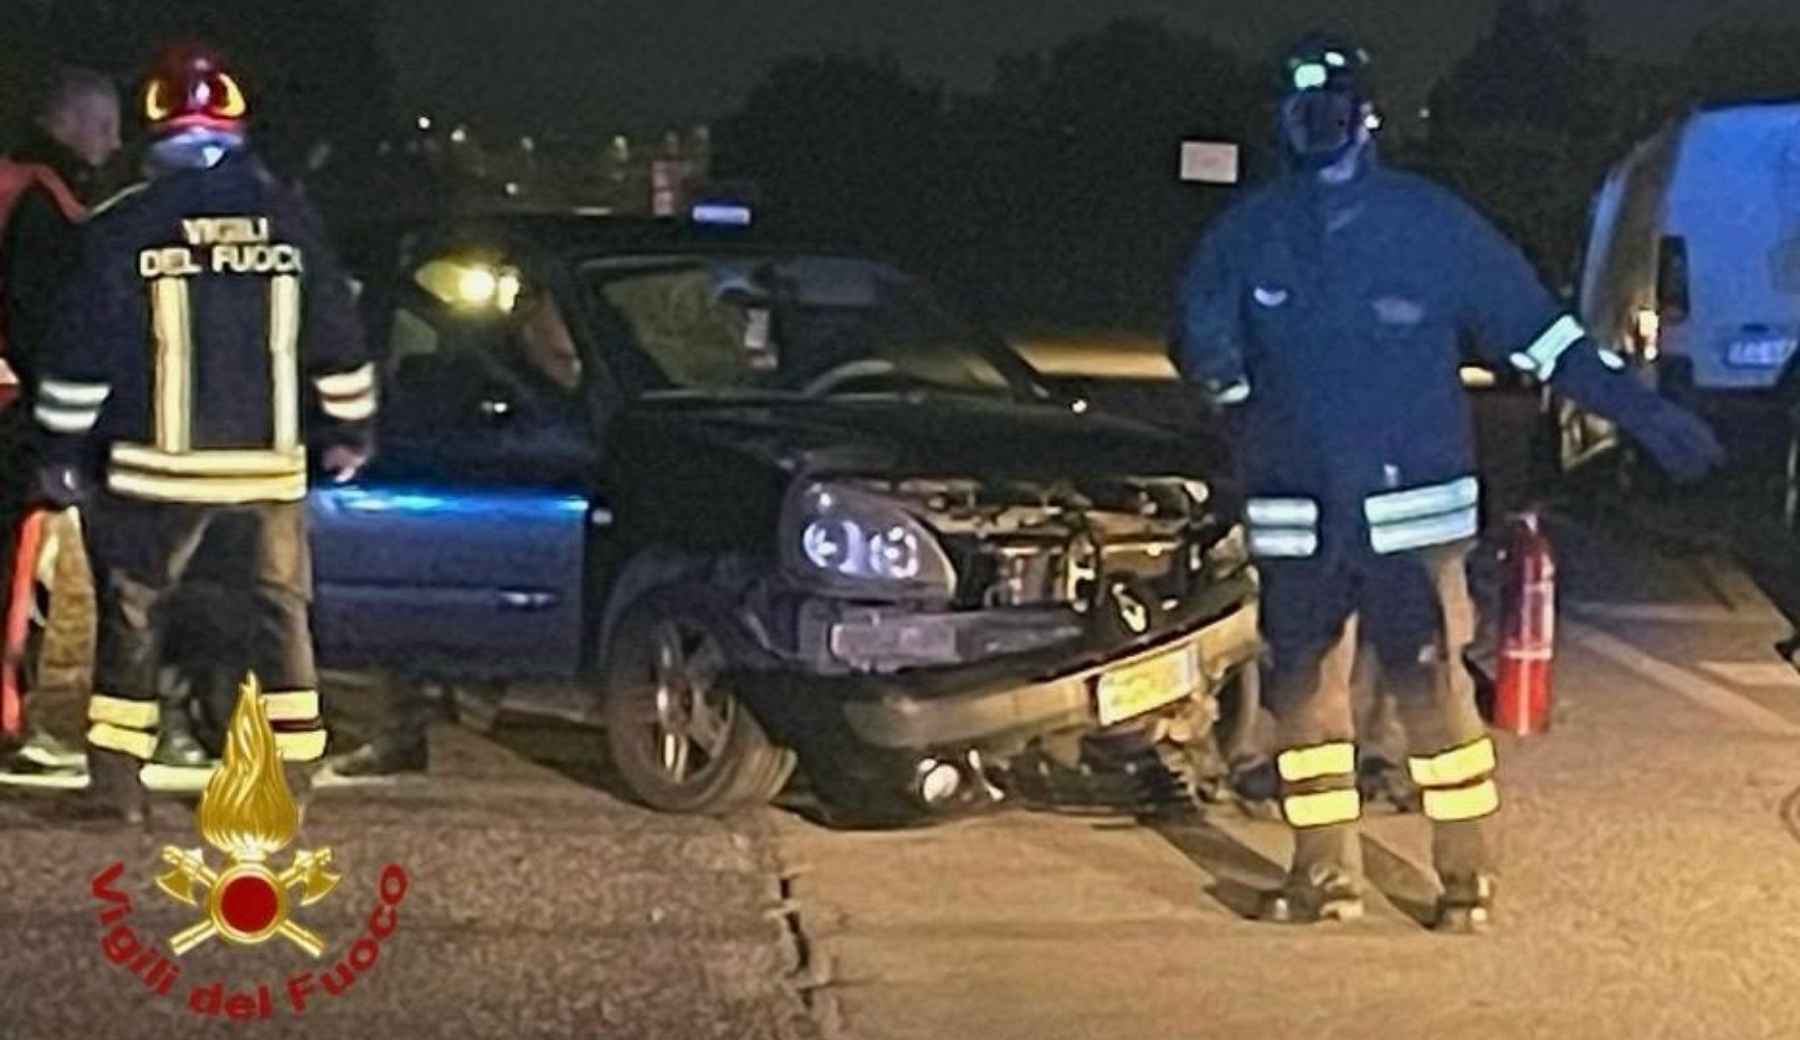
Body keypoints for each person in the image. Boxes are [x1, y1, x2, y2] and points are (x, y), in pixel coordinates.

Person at [1173, 33, 1723, 932]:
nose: (1319, 121)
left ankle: (1466, 878)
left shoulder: (1431, 226)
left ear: (1367, 118)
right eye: (1303, 105)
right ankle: (1324, 876)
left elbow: (1546, 342)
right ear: (1283, 119)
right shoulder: (1248, 234)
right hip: (1298, 519)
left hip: (1411, 526)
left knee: (1430, 693)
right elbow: (1203, 345)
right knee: (1302, 699)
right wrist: (1234, 395)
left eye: (1334, 104)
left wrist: (1647, 415)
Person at [30, 44, 374, 823]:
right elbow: (339, 339)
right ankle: (288, 784)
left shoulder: (126, 227)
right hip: (269, 472)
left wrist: (58, 454)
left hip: (156, 475)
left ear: (156, 136)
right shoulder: (290, 218)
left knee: (135, 619)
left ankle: (118, 787)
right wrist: (350, 430)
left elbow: (82, 356)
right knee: (281, 616)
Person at [0, 65, 123, 777]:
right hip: (13, 415)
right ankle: (7, 725)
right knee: (12, 578)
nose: (111, 145)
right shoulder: (49, 204)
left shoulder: (13, 183)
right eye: (103, 127)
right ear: (70, 124)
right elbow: (46, 323)